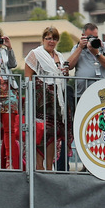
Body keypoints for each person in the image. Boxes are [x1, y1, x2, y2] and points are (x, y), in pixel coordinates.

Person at [23, 27, 68, 170]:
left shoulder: (60, 56)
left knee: (53, 133)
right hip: (39, 100)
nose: (51, 41)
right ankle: (38, 166)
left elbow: (62, 77)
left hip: (56, 101)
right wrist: (30, 99)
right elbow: (28, 76)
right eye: (48, 38)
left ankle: (49, 166)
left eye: (54, 38)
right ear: (43, 39)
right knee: (39, 131)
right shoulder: (35, 54)